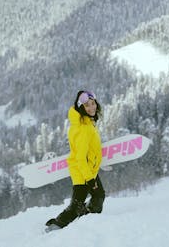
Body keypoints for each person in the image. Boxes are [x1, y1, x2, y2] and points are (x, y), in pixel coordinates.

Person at [45, 90, 106, 231]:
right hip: (83, 172)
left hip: (88, 170)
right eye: (87, 106)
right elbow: (80, 157)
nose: (92, 107)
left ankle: (86, 217)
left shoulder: (85, 123)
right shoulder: (84, 128)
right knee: (78, 204)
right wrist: (90, 178)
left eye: (93, 103)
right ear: (81, 108)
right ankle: (57, 225)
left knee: (98, 195)